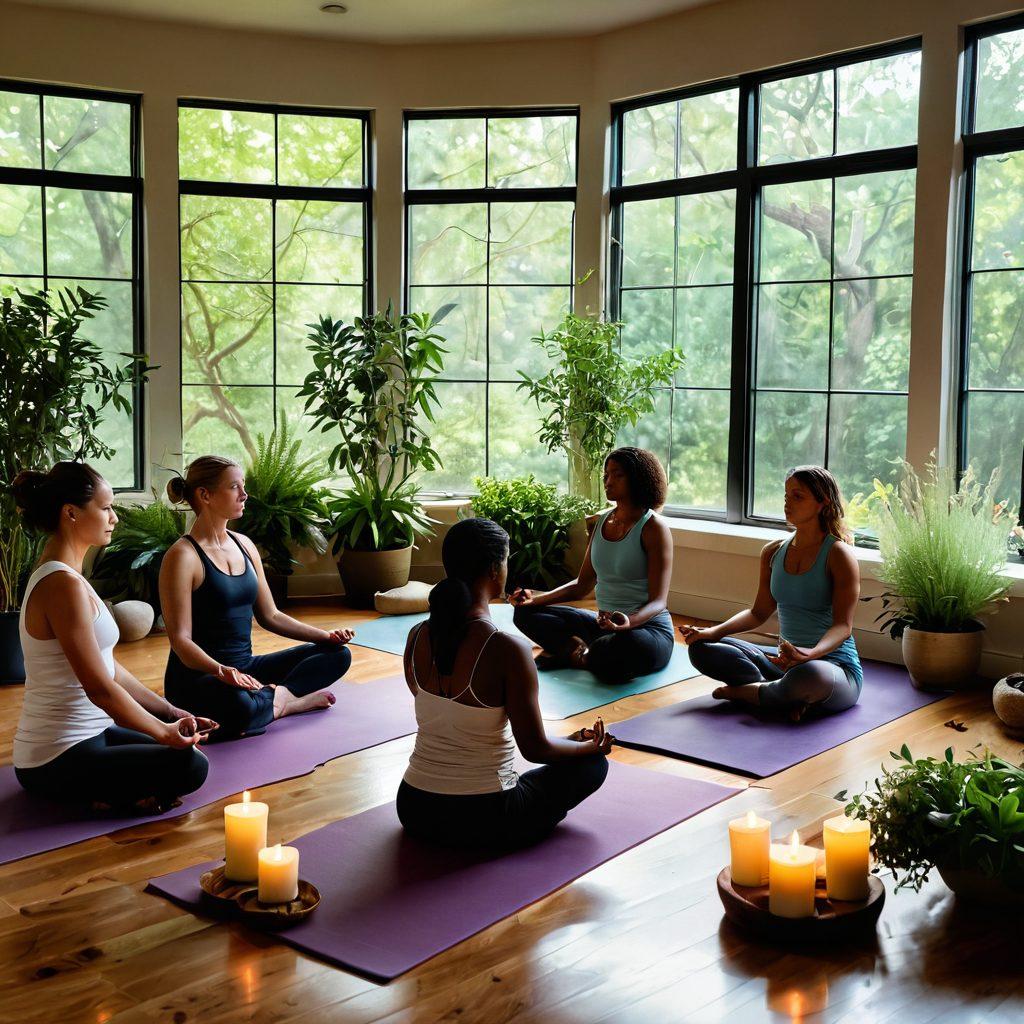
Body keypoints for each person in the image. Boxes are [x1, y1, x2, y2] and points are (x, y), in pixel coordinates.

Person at [397, 517, 611, 850]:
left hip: (414, 807)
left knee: (535, 765)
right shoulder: (508, 648)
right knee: (593, 765)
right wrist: (590, 747)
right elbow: (536, 749)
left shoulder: (417, 636)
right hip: (483, 817)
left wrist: (568, 743)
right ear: (496, 570)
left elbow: (454, 721)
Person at [12, 463, 210, 813]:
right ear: (71, 513)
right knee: (190, 765)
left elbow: (110, 669)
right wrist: (162, 732)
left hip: (95, 734)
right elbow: (100, 689)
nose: (114, 518)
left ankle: (115, 795)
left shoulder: (72, 576)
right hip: (55, 755)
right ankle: (102, 799)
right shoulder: (61, 585)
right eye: (105, 508)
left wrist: (168, 712)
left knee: (187, 751)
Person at [160, 456, 354, 739]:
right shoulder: (182, 556)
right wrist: (220, 670)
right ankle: (284, 704)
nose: (244, 494)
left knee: (338, 656)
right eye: (234, 487)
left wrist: (325, 637)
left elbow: (270, 615)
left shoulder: (244, 545)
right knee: (239, 708)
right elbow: (181, 641)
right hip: (199, 677)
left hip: (246, 669)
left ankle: (275, 699)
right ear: (205, 495)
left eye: (243, 485)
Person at [679, 466, 863, 720]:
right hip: (783, 666)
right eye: (786, 496)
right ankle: (781, 696)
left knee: (810, 677)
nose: (788, 503)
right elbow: (758, 612)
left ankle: (749, 694)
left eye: (798, 496)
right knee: (702, 649)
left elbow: (843, 626)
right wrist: (711, 632)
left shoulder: (838, 555)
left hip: (832, 667)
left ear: (823, 503)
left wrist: (809, 654)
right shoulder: (773, 551)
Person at [509, 447, 674, 685]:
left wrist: (629, 622)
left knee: (620, 648)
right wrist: (534, 599)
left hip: (645, 631)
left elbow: (659, 602)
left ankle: (581, 655)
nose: (608, 481)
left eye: (617, 475)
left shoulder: (653, 528)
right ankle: (585, 654)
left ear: (638, 478)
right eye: (606, 475)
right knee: (524, 613)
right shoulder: (600, 522)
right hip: (603, 625)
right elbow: (582, 585)